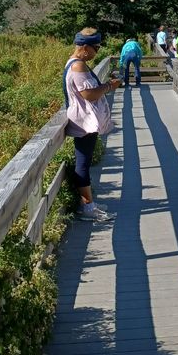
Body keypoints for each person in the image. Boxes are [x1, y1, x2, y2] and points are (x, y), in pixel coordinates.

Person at [63, 28, 120, 222]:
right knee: (83, 164)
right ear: (85, 47)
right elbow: (88, 94)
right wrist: (110, 86)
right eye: (96, 47)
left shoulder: (75, 63)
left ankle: (88, 203)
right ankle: (88, 207)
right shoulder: (78, 66)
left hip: (84, 121)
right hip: (84, 123)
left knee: (84, 163)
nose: (98, 50)